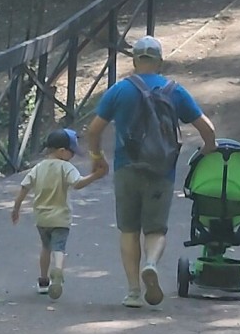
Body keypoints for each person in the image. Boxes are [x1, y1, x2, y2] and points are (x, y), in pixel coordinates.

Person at [87, 35, 217, 308]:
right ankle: (151, 263)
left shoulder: (119, 90)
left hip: (127, 168)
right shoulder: (174, 90)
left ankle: (133, 292)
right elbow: (207, 129)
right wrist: (207, 149)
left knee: (129, 230)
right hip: (161, 171)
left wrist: (97, 158)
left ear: (134, 61)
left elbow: (94, 130)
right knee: (156, 229)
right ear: (160, 62)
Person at [11, 127, 106, 300]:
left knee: (46, 248)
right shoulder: (65, 167)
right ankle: (58, 271)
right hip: (61, 217)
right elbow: (77, 184)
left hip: (41, 218)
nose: (73, 156)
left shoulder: (38, 168)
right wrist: (95, 176)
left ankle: (43, 281)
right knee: (59, 248)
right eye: (72, 152)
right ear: (62, 151)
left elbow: (24, 187)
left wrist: (16, 208)